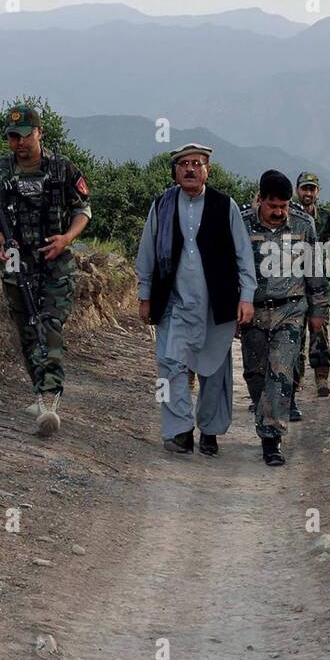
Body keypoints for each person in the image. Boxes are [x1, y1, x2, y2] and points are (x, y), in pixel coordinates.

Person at [135, 144, 256, 456]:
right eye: (184, 164)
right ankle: (180, 432)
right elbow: (147, 252)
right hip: (173, 304)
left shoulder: (224, 205)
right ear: (175, 170)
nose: (190, 169)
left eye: (197, 164)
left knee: (214, 369)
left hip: (216, 304)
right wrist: (144, 296)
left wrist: (247, 298)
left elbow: (244, 255)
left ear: (207, 170)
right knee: (170, 365)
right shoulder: (161, 205)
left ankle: (211, 431)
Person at [0, 104, 91, 437]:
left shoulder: (62, 168)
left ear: (40, 132)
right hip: (16, 262)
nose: (19, 143)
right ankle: (40, 389)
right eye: (12, 137)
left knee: (50, 325)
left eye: (25, 136)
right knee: (27, 329)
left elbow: (83, 209)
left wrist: (67, 238)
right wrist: (2, 241)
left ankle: (49, 399)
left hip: (55, 261)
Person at [240, 171, 330, 465]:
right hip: (253, 312)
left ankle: (271, 439)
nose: (279, 212)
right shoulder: (241, 224)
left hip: (290, 310)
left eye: (283, 206)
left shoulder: (304, 225)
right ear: (261, 200)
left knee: (280, 372)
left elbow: (316, 271)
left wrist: (319, 312)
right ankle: (264, 412)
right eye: (273, 206)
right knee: (255, 374)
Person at [292, 172, 330, 406]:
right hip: (293, 282)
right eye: (304, 188)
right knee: (294, 330)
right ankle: (295, 378)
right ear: (297, 190)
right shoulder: (289, 215)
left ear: (318, 192)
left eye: (312, 189)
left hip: (319, 282)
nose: (308, 193)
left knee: (319, 328)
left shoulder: (326, 217)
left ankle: (321, 377)